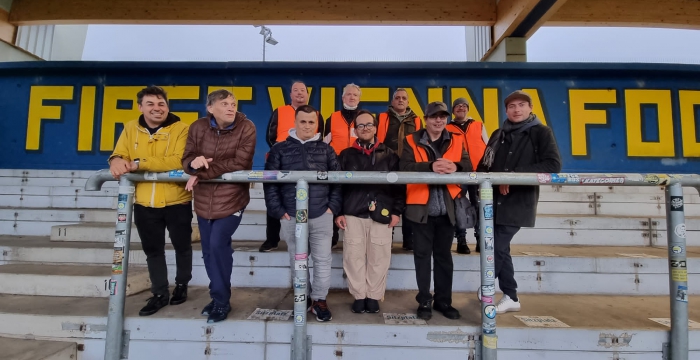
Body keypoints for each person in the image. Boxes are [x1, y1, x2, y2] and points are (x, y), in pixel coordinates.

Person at [108, 86, 193, 317]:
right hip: (144, 203)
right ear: (140, 107)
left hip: (177, 200)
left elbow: (177, 160)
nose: (157, 108)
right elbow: (120, 154)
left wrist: (138, 163)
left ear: (167, 106)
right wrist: (115, 160)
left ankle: (182, 284)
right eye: (151, 104)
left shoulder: (182, 129)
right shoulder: (129, 128)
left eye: (161, 104)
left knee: (182, 246)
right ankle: (159, 293)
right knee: (153, 251)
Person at [477, 90, 562, 313]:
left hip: (518, 201)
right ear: (506, 110)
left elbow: (553, 165)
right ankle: (511, 296)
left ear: (530, 108)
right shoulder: (498, 134)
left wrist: (513, 177)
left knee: (495, 244)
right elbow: (484, 165)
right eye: (512, 106)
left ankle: (487, 283)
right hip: (493, 200)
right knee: (502, 249)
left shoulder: (541, 132)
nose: (517, 110)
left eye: (521, 105)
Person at [182, 89, 256, 323]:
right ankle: (218, 296)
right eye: (224, 103)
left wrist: (201, 173)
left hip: (232, 198)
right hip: (204, 200)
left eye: (233, 103)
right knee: (207, 251)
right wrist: (193, 164)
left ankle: (222, 301)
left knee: (217, 245)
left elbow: (240, 162)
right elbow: (187, 157)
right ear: (210, 108)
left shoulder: (247, 127)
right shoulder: (197, 127)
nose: (231, 107)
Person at [264, 105, 342, 322]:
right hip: (291, 215)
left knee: (322, 260)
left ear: (316, 124)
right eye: (303, 121)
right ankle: (303, 297)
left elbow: (338, 181)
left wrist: (332, 208)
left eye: (311, 122)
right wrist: (278, 211)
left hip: (321, 215)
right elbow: (269, 183)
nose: (307, 126)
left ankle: (319, 300)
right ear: (295, 122)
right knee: (297, 259)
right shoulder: (279, 149)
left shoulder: (327, 150)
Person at [400, 101, 472, 321]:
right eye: (434, 117)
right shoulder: (411, 140)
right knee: (422, 257)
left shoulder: (457, 139)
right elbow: (404, 168)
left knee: (443, 258)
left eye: (443, 116)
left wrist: (456, 167)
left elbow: (468, 166)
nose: (439, 120)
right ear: (426, 119)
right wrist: (430, 167)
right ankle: (424, 300)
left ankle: (444, 301)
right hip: (420, 210)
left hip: (447, 210)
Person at [336, 110, 405, 314]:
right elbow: (338, 186)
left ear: (375, 127)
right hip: (353, 213)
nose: (365, 128)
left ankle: (374, 295)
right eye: (360, 126)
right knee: (353, 255)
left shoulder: (390, 155)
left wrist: (396, 211)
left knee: (379, 256)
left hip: (381, 213)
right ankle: (359, 295)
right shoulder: (346, 155)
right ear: (355, 130)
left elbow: (399, 187)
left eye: (369, 125)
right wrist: (339, 212)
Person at [260, 81, 324, 253]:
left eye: (303, 90)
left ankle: (310, 240)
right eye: (296, 90)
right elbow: (270, 136)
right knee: (276, 198)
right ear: (290, 94)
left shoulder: (316, 114)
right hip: (283, 161)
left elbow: (320, 137)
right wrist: (284, 151)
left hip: (309, 163)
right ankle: (272, 240)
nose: (299, 93)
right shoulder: (279, 111)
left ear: (308, 94)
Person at [377, 88, 422, 251]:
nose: (400, 100)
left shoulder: (417, 120)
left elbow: (420, 143)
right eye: (397, 98)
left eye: (404, 98)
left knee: (409, 202)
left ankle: (408, 241)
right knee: (388, 200)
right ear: (392, 101)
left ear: (408, 102)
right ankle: (387, 237)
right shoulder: (382, 117)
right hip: (387, 163)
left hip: (409, 165)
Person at [446, 97, 489, 254]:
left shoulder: (478, 125)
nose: (461, 108)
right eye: (457, 106)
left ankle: (480, 240)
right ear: (453, 110)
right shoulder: (447, 127)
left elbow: (489, 148)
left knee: (479, 206)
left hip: (479, 173)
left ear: (468, 109)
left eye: (464, 106)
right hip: (458, 173)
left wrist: (488, 169)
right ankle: (461, 241)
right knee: (459, 207)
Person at [324, 83, 362, 248]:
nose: (352, 97)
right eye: (348, 94)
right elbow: (324, 143)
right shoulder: (332, 118)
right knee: (334, 199)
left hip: (359, 163)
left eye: (355, 95)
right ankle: (332, 238)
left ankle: (355, 239)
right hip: (336, 164)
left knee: (355, 199)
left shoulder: (365, 117)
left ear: (359, 98)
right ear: (342, 97)